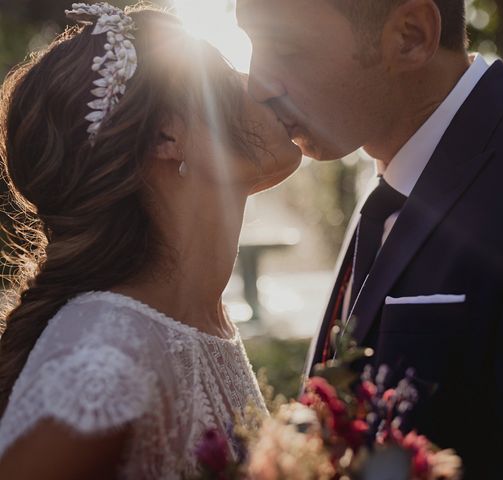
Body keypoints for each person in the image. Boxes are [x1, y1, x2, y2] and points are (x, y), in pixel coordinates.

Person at [238, 0, 503, 477]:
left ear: (410, 36)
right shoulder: (387, 180)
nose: (257, 85)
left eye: (286, 49)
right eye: (250, 47)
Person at [0, 3, 301, 479]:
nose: (260, 85)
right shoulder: (107, 356)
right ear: (167, 134)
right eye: (226, 72)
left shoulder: (202, 321)